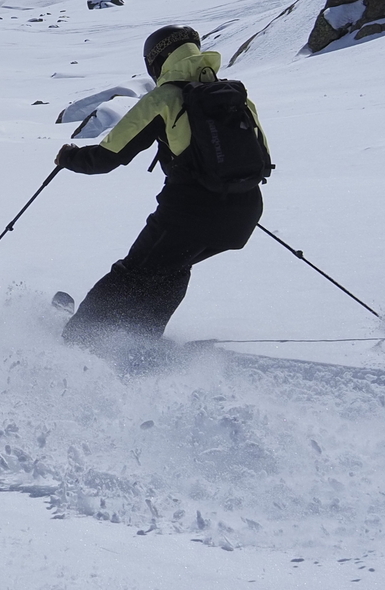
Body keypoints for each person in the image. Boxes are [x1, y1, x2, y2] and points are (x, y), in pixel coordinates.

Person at [55, 25, 271, 354]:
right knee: (169, 267)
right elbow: (262, 157)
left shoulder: (164, 98)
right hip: (245, 213)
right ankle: (141, 338)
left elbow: (106, 157)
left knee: (131, 274)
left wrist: (69, 156)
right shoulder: (237, 97)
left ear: (156, 62)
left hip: (189, 213)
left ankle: (75, 341)